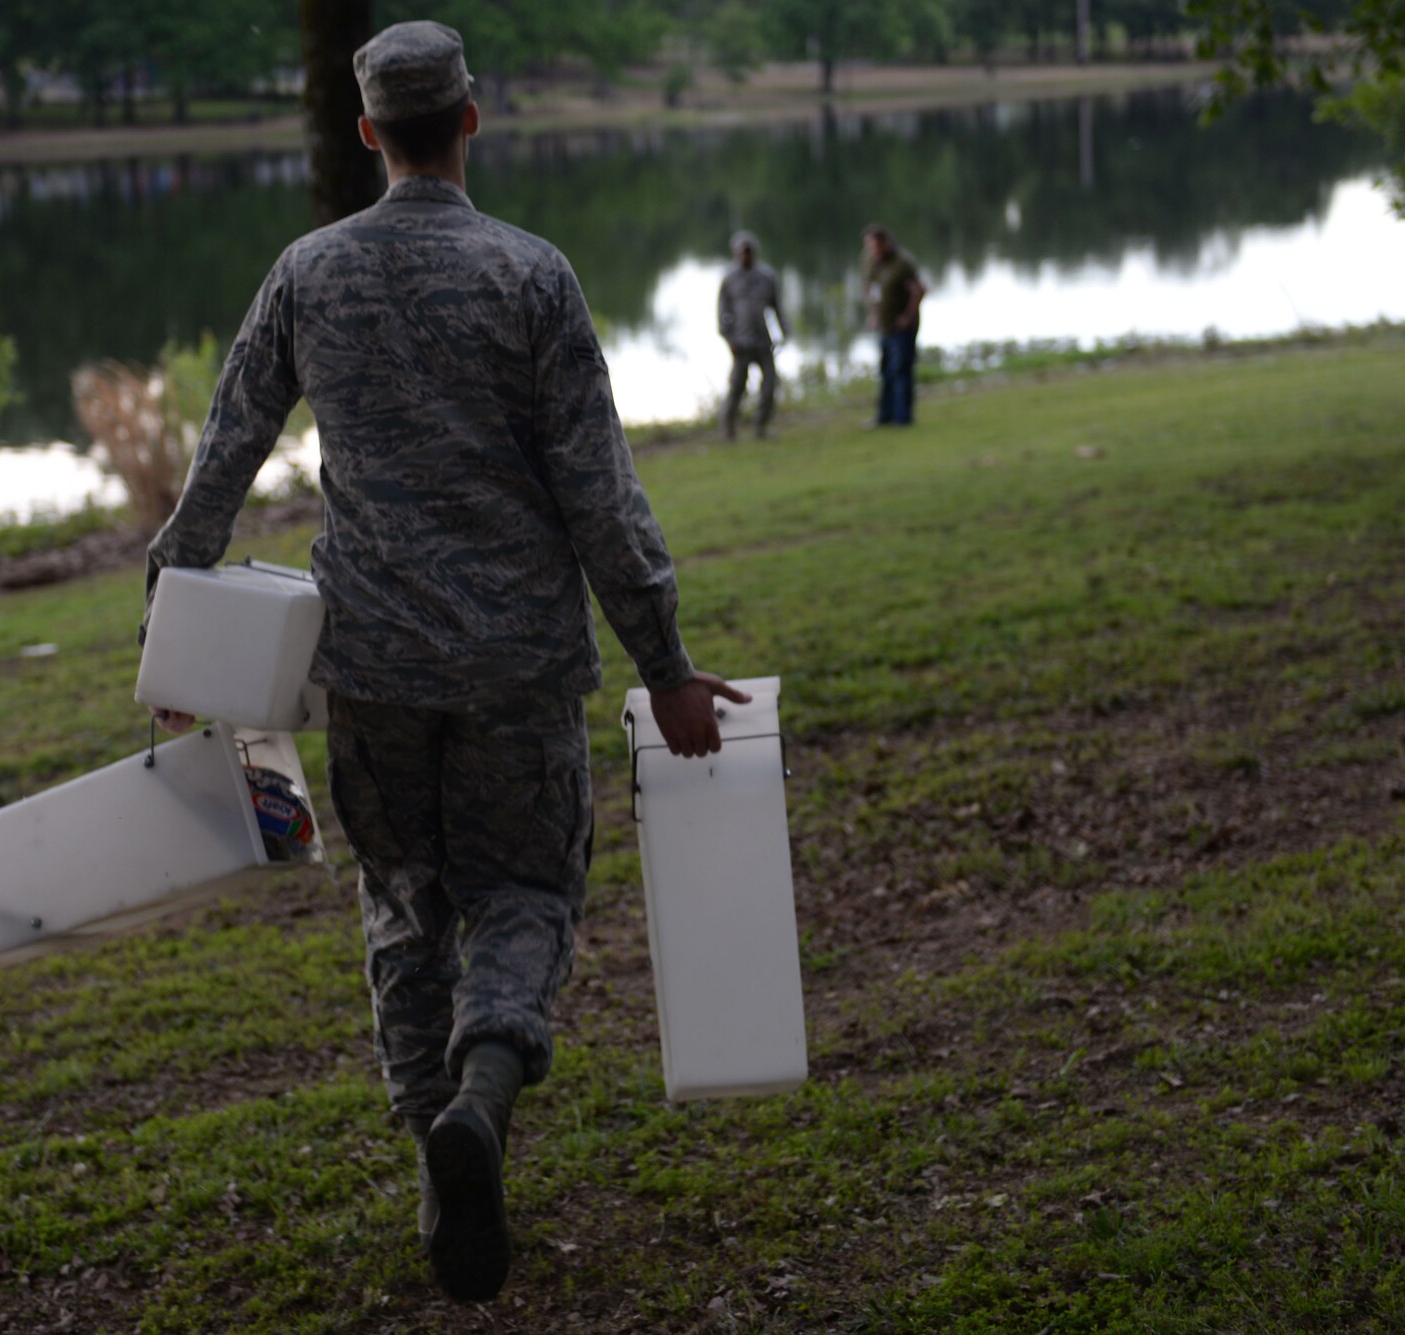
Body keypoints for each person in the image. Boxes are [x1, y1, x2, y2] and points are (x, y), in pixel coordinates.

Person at [136, 20, 747, 1305]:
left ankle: (438, 1162)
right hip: (518, 663)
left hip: (372, 665)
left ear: (369, 135)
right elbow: (599, 496)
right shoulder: (531, 276)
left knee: (405, 903)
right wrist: (669, 664)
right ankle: (485, 1088)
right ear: (471, 118)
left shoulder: (307, 274)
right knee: (525, 892)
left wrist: (173, 623)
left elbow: (222, 456)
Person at [716, 230, 788, 439]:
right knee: (737, 386)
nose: (746, 256)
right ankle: (728, 428)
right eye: (742, 252)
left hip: (763, 341)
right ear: (735, 253)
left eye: (749, 252)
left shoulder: (767, 277)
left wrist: (783, 332)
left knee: (770, 384)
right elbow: (722, 313)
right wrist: (729, 339)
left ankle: (761, 427)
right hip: (741, 342)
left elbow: (777, 308)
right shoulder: (729, 279)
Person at [861, 223, 926, 427]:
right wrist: (873, 313)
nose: (873, 252)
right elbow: (866, 285)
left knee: (901, 371)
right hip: (883, 326)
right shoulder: (869, 260)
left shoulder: (902, 263)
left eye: (876, 247)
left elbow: (919, 290)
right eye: (870, 247)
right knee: (885, 371)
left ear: (886, 244)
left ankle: (903, 418)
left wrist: (907, 317)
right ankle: (884, 416)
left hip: (902, 329)